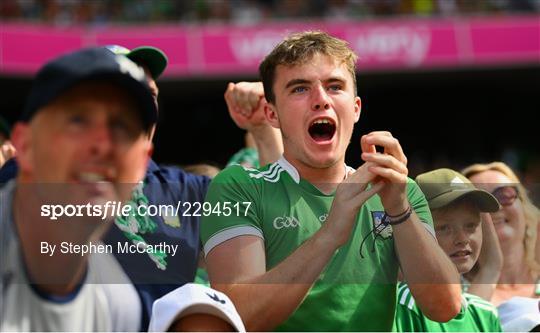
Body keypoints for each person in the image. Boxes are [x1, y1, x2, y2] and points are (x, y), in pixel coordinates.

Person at [0, 44, 282, 329]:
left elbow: (277, 231)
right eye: (81, 118)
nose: (102, 142)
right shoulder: (26, 183)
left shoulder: (189, 192)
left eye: (132, 113)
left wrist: (265, 130)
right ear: (26, 146)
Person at [200, 31, 461, 331]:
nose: (320, 100)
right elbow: (235, 317)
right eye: (299, 89)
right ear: (273, 114)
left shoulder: (400, 190)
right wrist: (330, 233)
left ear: (356, 107)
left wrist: (400, 209)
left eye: (335, 86)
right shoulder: (239, 186)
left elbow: (445, 307)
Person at [395, 168, 502, 332]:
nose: (463, 239)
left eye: (471, 225)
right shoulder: (403, 305)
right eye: (444, 228)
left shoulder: (485, 314)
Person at [462, 161, 540, 331]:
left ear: (524, 209)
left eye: (504, 195)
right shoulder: (454, 295)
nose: (495, 207)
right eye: (479, 202)